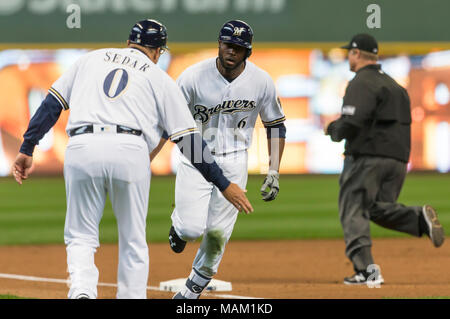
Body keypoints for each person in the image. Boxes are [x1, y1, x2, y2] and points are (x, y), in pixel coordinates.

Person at [11, 19, 252, 299]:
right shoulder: (158, 77)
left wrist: (28, 147)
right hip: (130, 148)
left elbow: (51, 105)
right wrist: (223, 183)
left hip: (82, 145)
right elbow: (188, 141)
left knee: (80, 234)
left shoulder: (89, 59)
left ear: (129, 43)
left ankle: (82, 292)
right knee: (133, 241)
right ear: (158, 51)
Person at [157, 20, 286, 299]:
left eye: (238, 48)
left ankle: (192, 290)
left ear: (247, 52)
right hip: (197, 159)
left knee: (216, 234)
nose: (231, 51)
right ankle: (178, 227)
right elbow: (170, 122)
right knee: (191, 229)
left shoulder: (261, 80)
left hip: (236, 160)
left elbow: (275, 124)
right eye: (228, 45)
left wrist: (273, 171)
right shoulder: (191, 77)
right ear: (219, 43)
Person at [325, 33, 445, 285]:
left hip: (368, 157)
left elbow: (353, 121)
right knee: (376, 208)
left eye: (350, 52)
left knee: (354, 209)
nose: (348, 56)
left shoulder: (361, 82)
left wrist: (334, 129)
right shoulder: (396, 86)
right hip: (398, 159)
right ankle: (417, 219)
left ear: (357, 54)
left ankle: (365, 271)